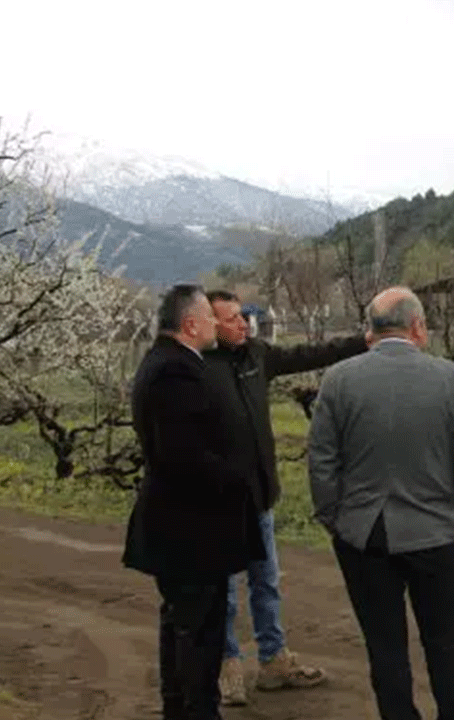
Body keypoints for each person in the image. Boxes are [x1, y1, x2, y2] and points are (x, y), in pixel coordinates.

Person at [307, 286, 454, 720]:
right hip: (436, 533)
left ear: (369, 331)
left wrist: (336, 519)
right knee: (446, 645)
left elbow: (322, 462)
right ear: (418, 327)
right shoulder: (453, 379)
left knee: (385, 648)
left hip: (364, 534)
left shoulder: (338, 380)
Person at [202, 290, 368, 705]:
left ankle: (274, 660)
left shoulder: (257, 355)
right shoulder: (198, 369)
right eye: (232, 319)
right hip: (218, 501)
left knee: (266, 581)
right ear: (209, 324)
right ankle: (226, 665)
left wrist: (361, 341)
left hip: (260, 495)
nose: (243, 324)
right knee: (221, 589)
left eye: (243, 316)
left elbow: (309, 354)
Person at [122, 284, 266, 720]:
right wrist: (239, 477)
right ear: (189, 324)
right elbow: (184, 456)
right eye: (208, 318)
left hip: (184, 530)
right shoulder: (174, 373)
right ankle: (195, 710)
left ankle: (179, 708)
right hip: (190, 533)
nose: (214, 327)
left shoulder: (170, 363)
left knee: (182, 626)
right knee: (198, 636)